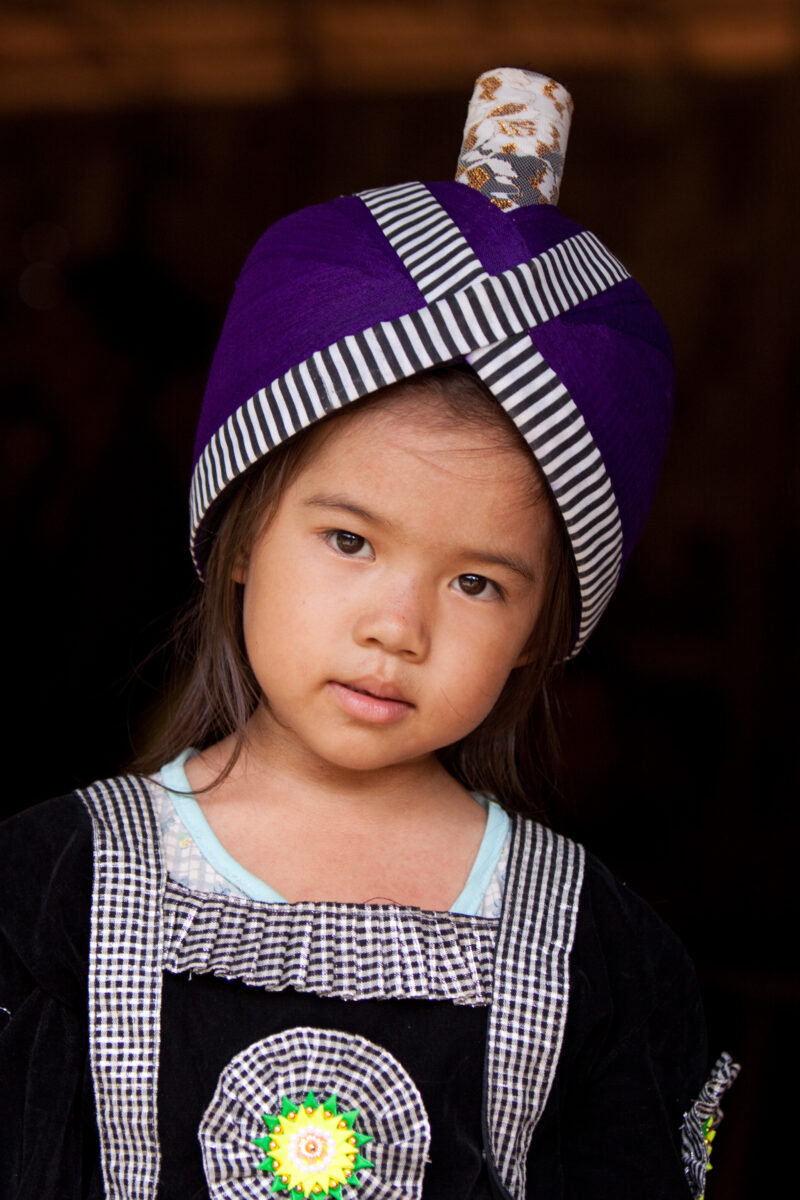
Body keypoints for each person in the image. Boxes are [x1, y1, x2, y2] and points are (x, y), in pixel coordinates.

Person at [0, 69, 737, 1200]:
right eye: (349, 541)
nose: (398, 626)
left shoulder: (596, 954)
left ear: (545, 625)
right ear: (243, 533)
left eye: (480, 583)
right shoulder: (53, 889)